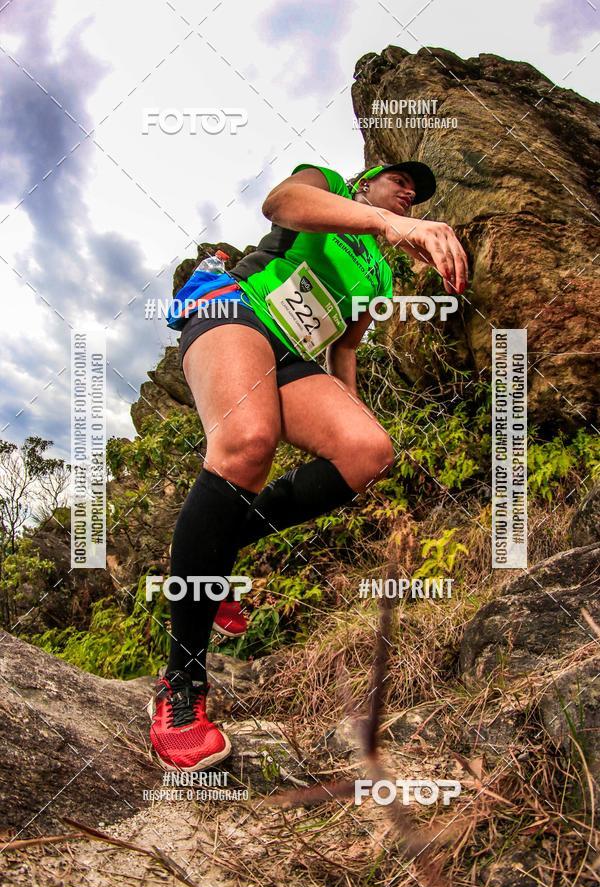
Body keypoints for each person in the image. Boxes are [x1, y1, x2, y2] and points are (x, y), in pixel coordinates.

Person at [148, 160, 468, 772]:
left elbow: (344, 347)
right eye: (400, 180)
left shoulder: (377, 269)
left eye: (417, 195)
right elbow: (280, 203)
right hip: (232, 313)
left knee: (368, 450)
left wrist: (348, 413)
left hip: (294, 357)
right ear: (368, 179)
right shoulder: (324, 186)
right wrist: (389, 224)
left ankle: (214, 552)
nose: (408, 193)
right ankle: (180, 689)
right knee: (248, 443)